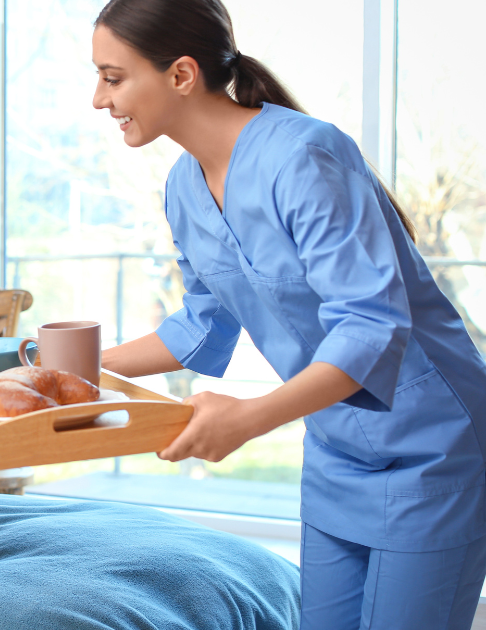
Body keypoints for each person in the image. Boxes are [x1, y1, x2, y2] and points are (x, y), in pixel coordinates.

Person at [90, 0, 486, 627]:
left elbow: (372, 326)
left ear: (182, 74)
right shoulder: (183, 188)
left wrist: (249, 418)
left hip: (432, 444)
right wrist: (62, 366)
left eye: (113, 78)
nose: (98, 99)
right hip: (335, 450)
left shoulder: (304, 155)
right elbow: (200, 324)